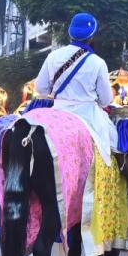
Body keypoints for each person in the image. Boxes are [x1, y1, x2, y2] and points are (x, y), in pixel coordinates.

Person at [34, 11, 116, 163]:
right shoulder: (98, 62)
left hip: (57, 112)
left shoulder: (53, 56)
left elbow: (41, 88)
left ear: (70, 33)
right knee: (113, 144)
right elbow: (105, 100)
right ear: (91, 36)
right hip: (88, 116)